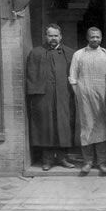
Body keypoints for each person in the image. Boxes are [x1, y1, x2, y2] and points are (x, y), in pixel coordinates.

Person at [26, 23, 77, 171]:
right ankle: (47, 159)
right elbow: (31, 75)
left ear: (60, 36)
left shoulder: (70, 53)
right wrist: (36, 95)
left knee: (63, 126)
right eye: (50, 35)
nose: (53, 38)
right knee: (46, 126)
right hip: (44, 98)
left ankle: (62, 158)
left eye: (56, 35)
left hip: (64, 96)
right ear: (45, 36)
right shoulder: (36, 53)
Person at [69, 27, 106, 175]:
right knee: (87, 126)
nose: (95, 39)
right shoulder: (78, 55)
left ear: (101, 38)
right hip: (84, 97)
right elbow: (73, 78)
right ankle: (87, 162)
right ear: (87, 38)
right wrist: (80, 94)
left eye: (98, 37)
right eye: (92, 37)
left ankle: (102, 162)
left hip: (102, 97)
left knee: (102, 127)